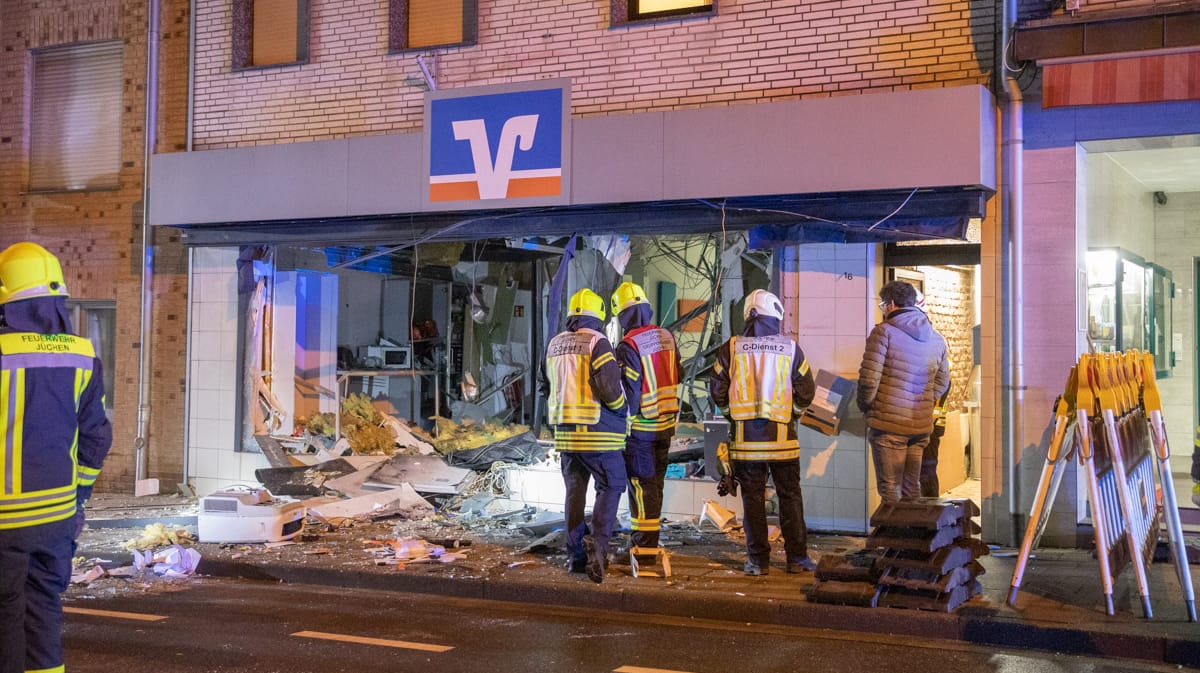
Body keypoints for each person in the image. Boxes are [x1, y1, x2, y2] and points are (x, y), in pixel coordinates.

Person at [0, 242, 112, 673]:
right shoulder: (83, 355)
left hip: (5, 523)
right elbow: (96, 438)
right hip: (56, 519)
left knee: (5, 621)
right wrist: (80, 494)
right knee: (44, 616)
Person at [709, 289, 816, 576]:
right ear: (775, 316)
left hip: (746, 444)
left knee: (753, 501)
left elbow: (717, 389)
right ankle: (797, 559)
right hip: (783, 443)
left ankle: (758, 562)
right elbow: (807, 391)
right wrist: (792, 415)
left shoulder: (731, 348)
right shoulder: (790, 348)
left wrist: (732, 415)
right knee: (790, 496)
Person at [545, 288, 628, 584]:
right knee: (612, 483)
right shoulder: (597, 342)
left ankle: (576, 556)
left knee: (574, 494)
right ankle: (599, 545)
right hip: (597, 433)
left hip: (565, 436)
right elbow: (609, 387)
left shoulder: (554, 344)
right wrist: (621, 411)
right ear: (599, 316)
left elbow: (548, 386)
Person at [857, 280, 950, 504]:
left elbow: (869, 380)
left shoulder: (883, 332)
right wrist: (924, 401)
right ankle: (913, 534)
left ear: (891, 305)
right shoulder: (936, 339)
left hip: (889, 426)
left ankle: (895, 536)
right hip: (919, 427)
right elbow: (943, 381)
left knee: (890, 489)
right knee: (911, 488)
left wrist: (867, 406)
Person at [610, 282, 680, 558]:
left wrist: (618, 426)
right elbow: (679, 374)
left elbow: (630, 395)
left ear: (623, 316)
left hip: (641, 429)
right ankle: (649, 541)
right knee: (655, 487)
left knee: (641, 487)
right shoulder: (667, 337)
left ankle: (643, 548)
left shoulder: (628, 346)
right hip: (665, 426)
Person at [912, 291, 951, 499]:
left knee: (926, 472)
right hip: (925, 421)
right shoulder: (931, 339)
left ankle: (930, 517)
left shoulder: (932, 341)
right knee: (919, 473)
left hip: (929, 423)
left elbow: (944, 383)